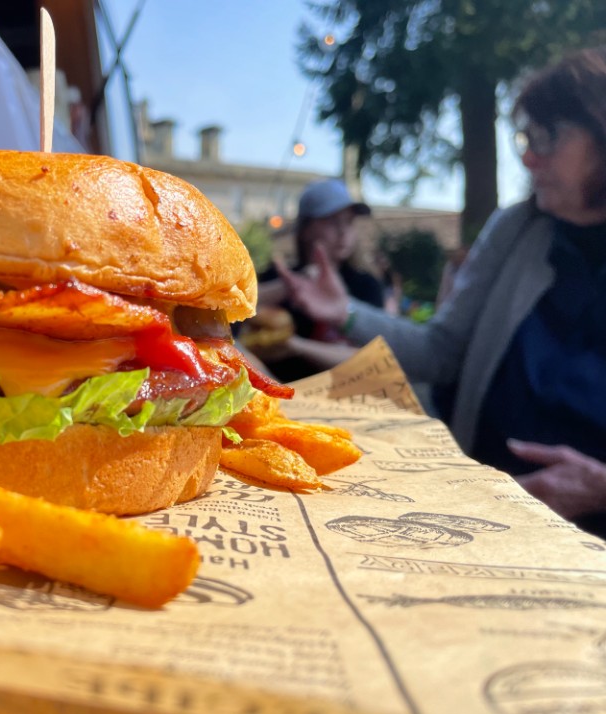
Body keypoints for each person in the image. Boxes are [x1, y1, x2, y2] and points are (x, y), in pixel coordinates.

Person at [277, 47, 606, 536]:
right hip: (484, 512)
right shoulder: (517, 228)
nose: (528, 156)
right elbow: (442, 351)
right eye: (526, 137)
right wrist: (347, 311)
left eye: (549, 136)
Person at [244, 178, 384, 381]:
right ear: (307, 229)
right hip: (279, 398)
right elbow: (236, 310)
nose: (343, 232)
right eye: (332, 221)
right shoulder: (277, 276)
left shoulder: (366, 285)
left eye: (349, 222)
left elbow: (371, 356)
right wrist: (290, 285)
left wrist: (294, 344)